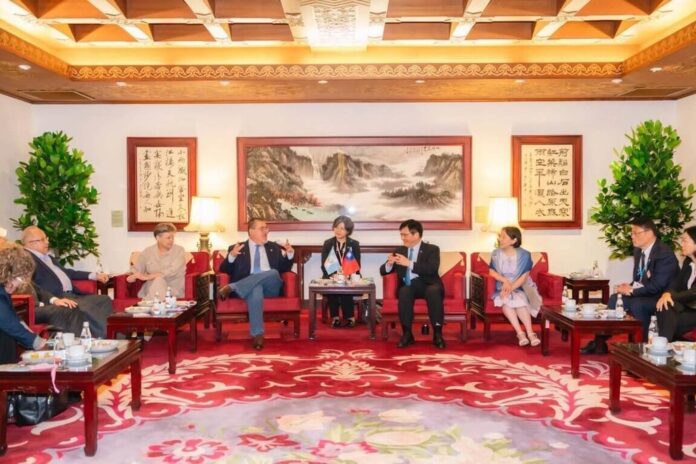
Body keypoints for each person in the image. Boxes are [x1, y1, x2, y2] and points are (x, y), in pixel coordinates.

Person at [582, 217, 678, 354]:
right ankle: (599, 343)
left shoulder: (663, 253)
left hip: (662, 297)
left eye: (635, 233)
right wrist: (629, 286)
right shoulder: (638, 250)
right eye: (631, 233)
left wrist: (632, 290)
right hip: (646, 293)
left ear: (649, 233)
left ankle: (641, 347)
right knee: (615, 298)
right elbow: (640, 278)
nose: (632, 236)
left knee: (637, 305)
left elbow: (657, 286)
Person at [22, 226, 113, 338]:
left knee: (104, 300)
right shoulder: (27, 259)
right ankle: (107, 337)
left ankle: (99, 335)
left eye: (46, 238)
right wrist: (53, 299)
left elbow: (67, 272)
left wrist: (94, 275)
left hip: (72, 294)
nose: (47, 242)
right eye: (43, 239)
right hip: (59, 296)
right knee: (86, 307)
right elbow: (33, 286)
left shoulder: (47, 257)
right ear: (31, 243)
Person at [217, 218, 294, 350]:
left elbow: (284, 269)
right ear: (251, 231)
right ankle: (258, 335)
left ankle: (233, 287)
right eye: (262, 228)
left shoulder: (274, 248)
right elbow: (224, 270)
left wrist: (290, 255)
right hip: (249, 288)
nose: (266, 231)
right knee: (255, 289)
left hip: (271, 287)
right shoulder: (237, 248)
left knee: (273, 272)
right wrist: (232, 256)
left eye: (266, 228)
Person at [380, 219, 445, 349]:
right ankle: (407, 334)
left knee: (433, 291)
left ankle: (437, 334)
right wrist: (389, 264)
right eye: (401, 235)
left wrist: (409, 263)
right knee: (404, 291)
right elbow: (383, 271)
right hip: (410, 286)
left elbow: (432, 268)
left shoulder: (432, 249)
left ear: (416, 235)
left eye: (405, 235)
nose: (402, 238)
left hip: (429, 284)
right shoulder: (400, 250)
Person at [488, 226, 542, 347]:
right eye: (500, 236)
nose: (500, 239)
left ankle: (530, 333)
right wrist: (505, 282)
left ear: (514, 240)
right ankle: (520, 333)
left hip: (522, 285)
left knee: (520, 300)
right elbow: (491, 271)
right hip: (502, 285)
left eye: (503, 237)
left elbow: (524, 277)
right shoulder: (496, 253)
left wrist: (510, 288)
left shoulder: (525, 255)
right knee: (506, 301)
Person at [0, 243, 46, 364]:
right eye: (21, 278)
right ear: (8, 273)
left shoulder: (4, 288)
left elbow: (12, 317)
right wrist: (38, 343)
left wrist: (35, 338)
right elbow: (8, 323)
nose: (21, 284)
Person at [127, 222, 192, 299]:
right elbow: (137, 269)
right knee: (157, 282)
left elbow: (171, 271)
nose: (171, 240)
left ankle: (151, 303)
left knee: (158, 280)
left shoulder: (179, 250)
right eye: (168, 238)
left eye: (173, 237)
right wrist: (132, 275)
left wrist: (148, 277)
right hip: (151, 288)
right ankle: (156, 304)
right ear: (158, 238)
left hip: (172, 289)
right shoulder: (148, 252)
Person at [656, 226, 696, 341]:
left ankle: (663, 343)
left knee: (668, 316)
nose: (681, 244)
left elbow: (693, 292)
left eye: (685, 240)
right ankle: (664, 343)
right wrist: (667, 294)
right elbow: (676, 284)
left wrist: (670, 296)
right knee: (665, 305)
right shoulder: (688, 262)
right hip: (687, 308)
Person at [320, 216, 362, 328]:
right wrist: (334, 275)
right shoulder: (328, 243)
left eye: (342, 228)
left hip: (349, 275)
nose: (338, 230)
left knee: (345, 285)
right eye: (336, 227)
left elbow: (357, 264)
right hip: (332, 276)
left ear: (348, 231)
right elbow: (324, 264)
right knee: (333, 285)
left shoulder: (354, 244)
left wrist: (346, 275)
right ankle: (335, 317)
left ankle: (349, 317)